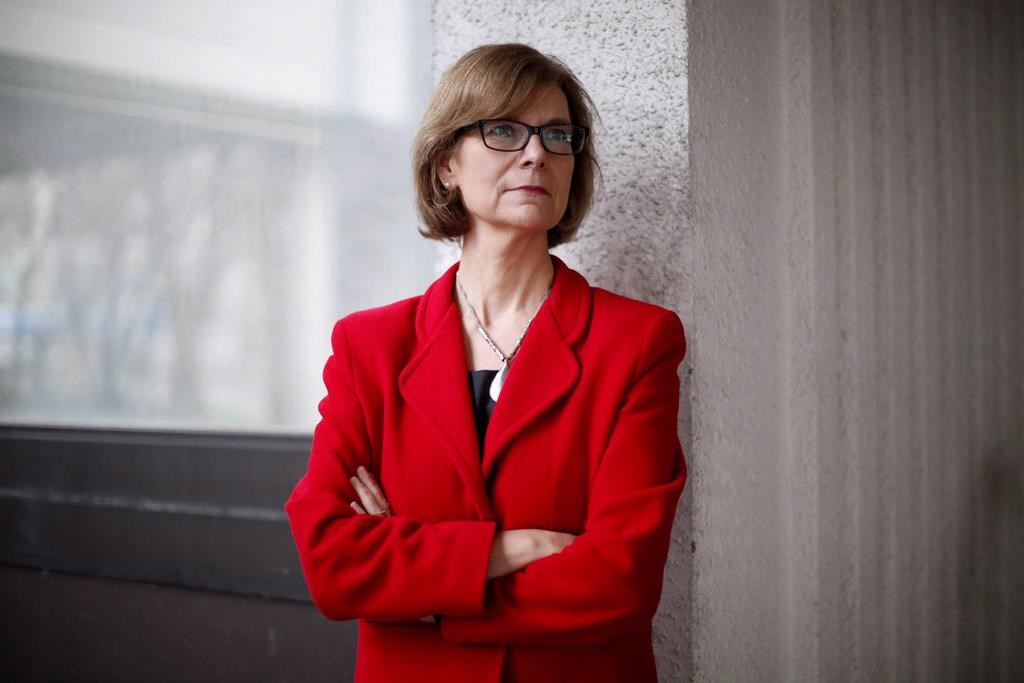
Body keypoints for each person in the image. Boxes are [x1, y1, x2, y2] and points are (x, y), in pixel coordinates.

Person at [285, 43, 687, 683]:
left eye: (558, 135)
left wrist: (422, 593)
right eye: (504, 130)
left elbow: (618, 583)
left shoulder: (637, 342)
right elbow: (332, 564)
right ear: (447, 162)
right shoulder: (369, 346)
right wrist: (516, 547)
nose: (536, 153)